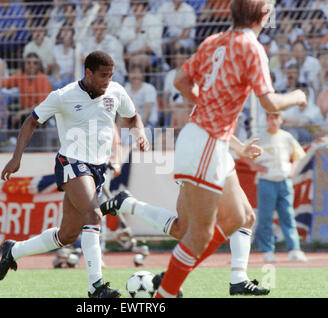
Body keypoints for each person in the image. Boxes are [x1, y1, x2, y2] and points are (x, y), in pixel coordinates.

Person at [101, 0, 307, 298]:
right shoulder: (251, 47)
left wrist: (208, 107)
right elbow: (270, 102)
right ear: (264, 15)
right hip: (207, 143)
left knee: (240, 217)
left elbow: (181, 80)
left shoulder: (214, 41)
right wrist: (298, 96)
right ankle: (165, 292)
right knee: (197, 233)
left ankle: (188, 277)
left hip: (209, 141)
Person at [0, 51, 150, 298]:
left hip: (98, 168)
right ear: (88, 72)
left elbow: (133, 118)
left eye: (110, 75)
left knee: (67, 235)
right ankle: (96, 287)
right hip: (72, 162)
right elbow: (31, 122)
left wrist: (139, 132)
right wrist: (16, 158)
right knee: (94, 214)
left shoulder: (116, 92)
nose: (107, 81)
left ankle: (13, 251)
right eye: (102, 75)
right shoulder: (63, 96)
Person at [250, 112, 308, 263]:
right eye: (270, 117)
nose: (273, 120)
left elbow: (299, 155)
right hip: (266, 180)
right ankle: (267, 250)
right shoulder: (260, 137)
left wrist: (292, 170)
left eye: (276, 117)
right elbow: (243, 151)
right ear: (266, 119)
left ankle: (294, 249)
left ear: (281, 119)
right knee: (265, 217)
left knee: (287, 215)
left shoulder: (287, 137)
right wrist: (254, 165)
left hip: (284, 180)